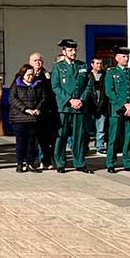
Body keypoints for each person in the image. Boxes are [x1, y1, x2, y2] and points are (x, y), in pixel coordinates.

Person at [51, 39, 92, 174]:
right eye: (70, 50)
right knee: (61, 135)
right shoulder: (58, 67)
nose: (73, 52)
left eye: (74, 50)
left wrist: (81, 99)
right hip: (64, 106)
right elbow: (56, 86)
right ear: (64, 52)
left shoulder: (82, 65)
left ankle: (79, 162)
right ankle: (60, 162)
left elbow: (88, 85)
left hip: (79, 106)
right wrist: (70, 100)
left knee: (79, 136)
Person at [104, 47, 130, 174]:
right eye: (123, 56)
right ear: (116, 58)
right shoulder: (111, 72)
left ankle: (128, 162)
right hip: (117, 110)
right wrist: (124, 104)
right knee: (114, 137)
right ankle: (111, 163)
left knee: (128, 137)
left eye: (127, 56)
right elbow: (109, 91)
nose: (126, 59)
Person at [9, 64, 46, 173]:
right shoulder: (16, 84)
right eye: (28, 75)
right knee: (21, 141)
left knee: (31, 142)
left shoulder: (38, 84)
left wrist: (38, 109)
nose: (31, 77)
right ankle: (20, 163)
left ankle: (30, 163)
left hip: (33, 118)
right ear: (23, 74)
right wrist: (25, 109)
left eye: (32, 74)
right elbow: (12, 99)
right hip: (19, 118)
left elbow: (43, 98)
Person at [29, 52, 55, 169]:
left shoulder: (47, 75)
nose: (38, 63)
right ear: (30, 62)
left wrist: (41, 108)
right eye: (35, 61)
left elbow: (49, 94)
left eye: (40, 60)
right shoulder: (25, 74)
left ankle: (45, 160)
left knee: (45, 139)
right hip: (29, 112)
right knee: (32, 139)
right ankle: (32, 161)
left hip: (43, 111)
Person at [87, 56, 108, 155]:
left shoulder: (105, 75)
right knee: (87, 129)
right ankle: (85, 147)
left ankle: (100, 146)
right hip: (89, 105)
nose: (99, 65)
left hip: (102, 105)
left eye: (100, 63)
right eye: (97, 63)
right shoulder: (87, 75)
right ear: (92, 64)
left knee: (101, 129)